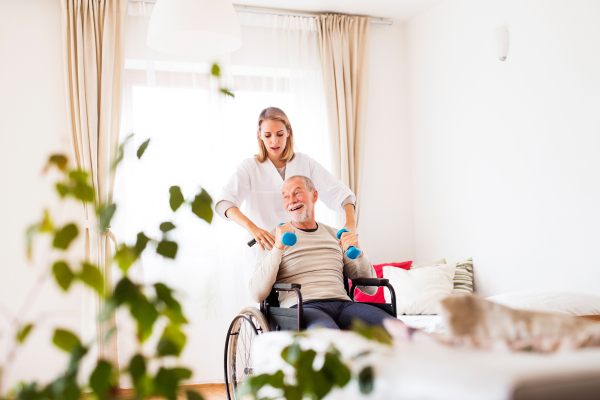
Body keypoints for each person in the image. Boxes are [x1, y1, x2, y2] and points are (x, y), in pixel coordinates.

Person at [248, 175, 393, 330]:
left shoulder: (335, 235)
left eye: (297, 193)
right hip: (303, 307)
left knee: (397, 329)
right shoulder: (272, 238)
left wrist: (359, 254)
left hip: (343, 305)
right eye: (286, 196)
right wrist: (278, 248)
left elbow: (370, 289)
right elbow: (257, 294)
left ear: (314, 195)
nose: (291, 200)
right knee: (330, 339)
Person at [216, 107, 357, 253]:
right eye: (268, 135)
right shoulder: (250, 167)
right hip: (264, 250)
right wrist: (253, 228)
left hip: (299, 250)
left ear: (288, 132)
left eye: (280, 134)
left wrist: (350, 223)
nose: (274, 141)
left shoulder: (304, 162)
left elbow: (341, 194)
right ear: (260, 135)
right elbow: (224, 203)